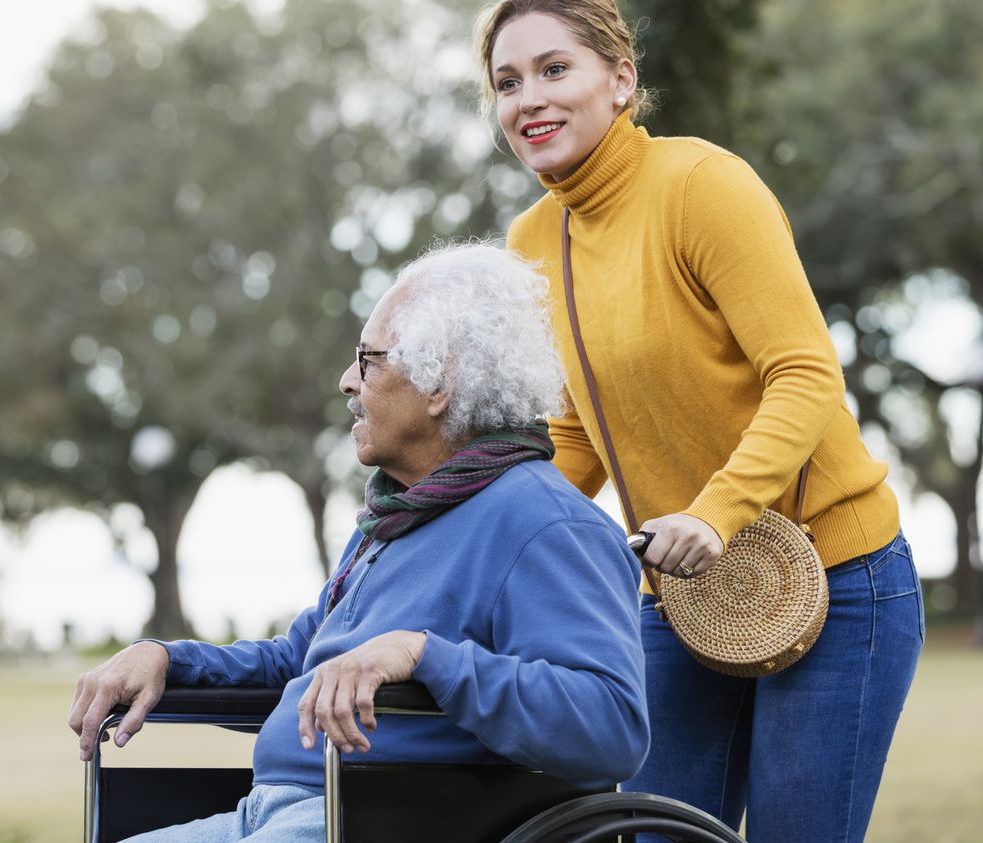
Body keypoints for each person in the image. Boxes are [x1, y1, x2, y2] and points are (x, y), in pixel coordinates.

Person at [474, 2, 924, 841]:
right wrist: (489, 542)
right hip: (682, 596)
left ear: (622, 80)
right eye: (507, 82)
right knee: (646, 832)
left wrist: (715, 514)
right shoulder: (533, 240)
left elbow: (805, 372)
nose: (527, 97)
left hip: (836, 575)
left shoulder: (700, 185)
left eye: (553, 69)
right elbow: (572, 434)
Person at [67, 243, 649, 842]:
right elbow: (300, 663)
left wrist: (424, 654)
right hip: (279, 808)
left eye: (368, 360)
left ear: (440, 383)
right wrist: (168, 659)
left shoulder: (548, 525)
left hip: (387, 818)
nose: (348, 382)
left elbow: (610, 726)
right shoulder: (399, 512)